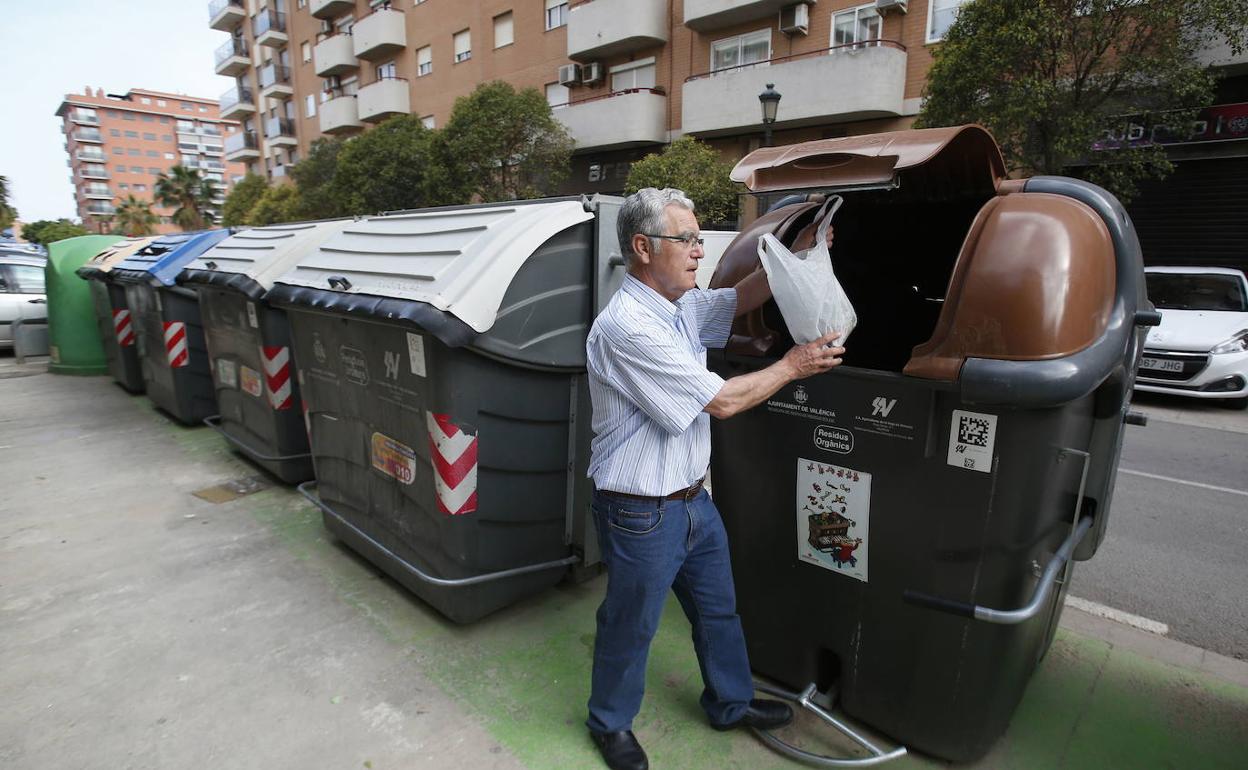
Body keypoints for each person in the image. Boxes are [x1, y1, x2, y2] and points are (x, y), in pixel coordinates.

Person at [585, 188, 845, 770]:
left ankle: (729, 702)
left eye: (701, 239)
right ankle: (609, 724)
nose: (700, 250)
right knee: (632, 625)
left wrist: (797, 256)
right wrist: (794, 365)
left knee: (718, 611)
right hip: (639, 509)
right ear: (643, 247)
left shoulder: (679, 308)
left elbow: (743, 294)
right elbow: (722, 402)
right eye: (688, 240)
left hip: (692, 502)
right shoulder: (628, 327)